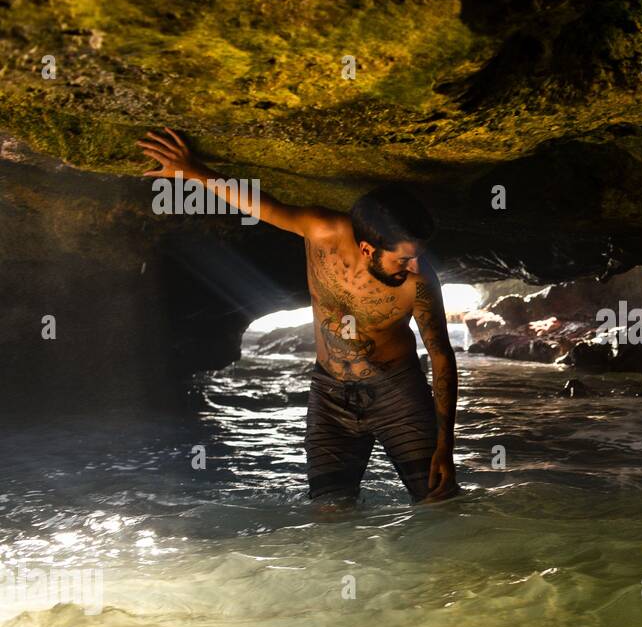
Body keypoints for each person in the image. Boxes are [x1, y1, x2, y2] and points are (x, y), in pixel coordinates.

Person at [138, 127, 459, 504]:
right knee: (329, 516)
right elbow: (261, 205)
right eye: (403, 257)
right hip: (329, 395)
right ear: (368, 248)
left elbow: (441, 355)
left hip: (398, 393)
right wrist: (192, 171)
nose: (415, 264)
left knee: (439, 501)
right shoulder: (322, 232)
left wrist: (445, 444)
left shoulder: (419, 283)